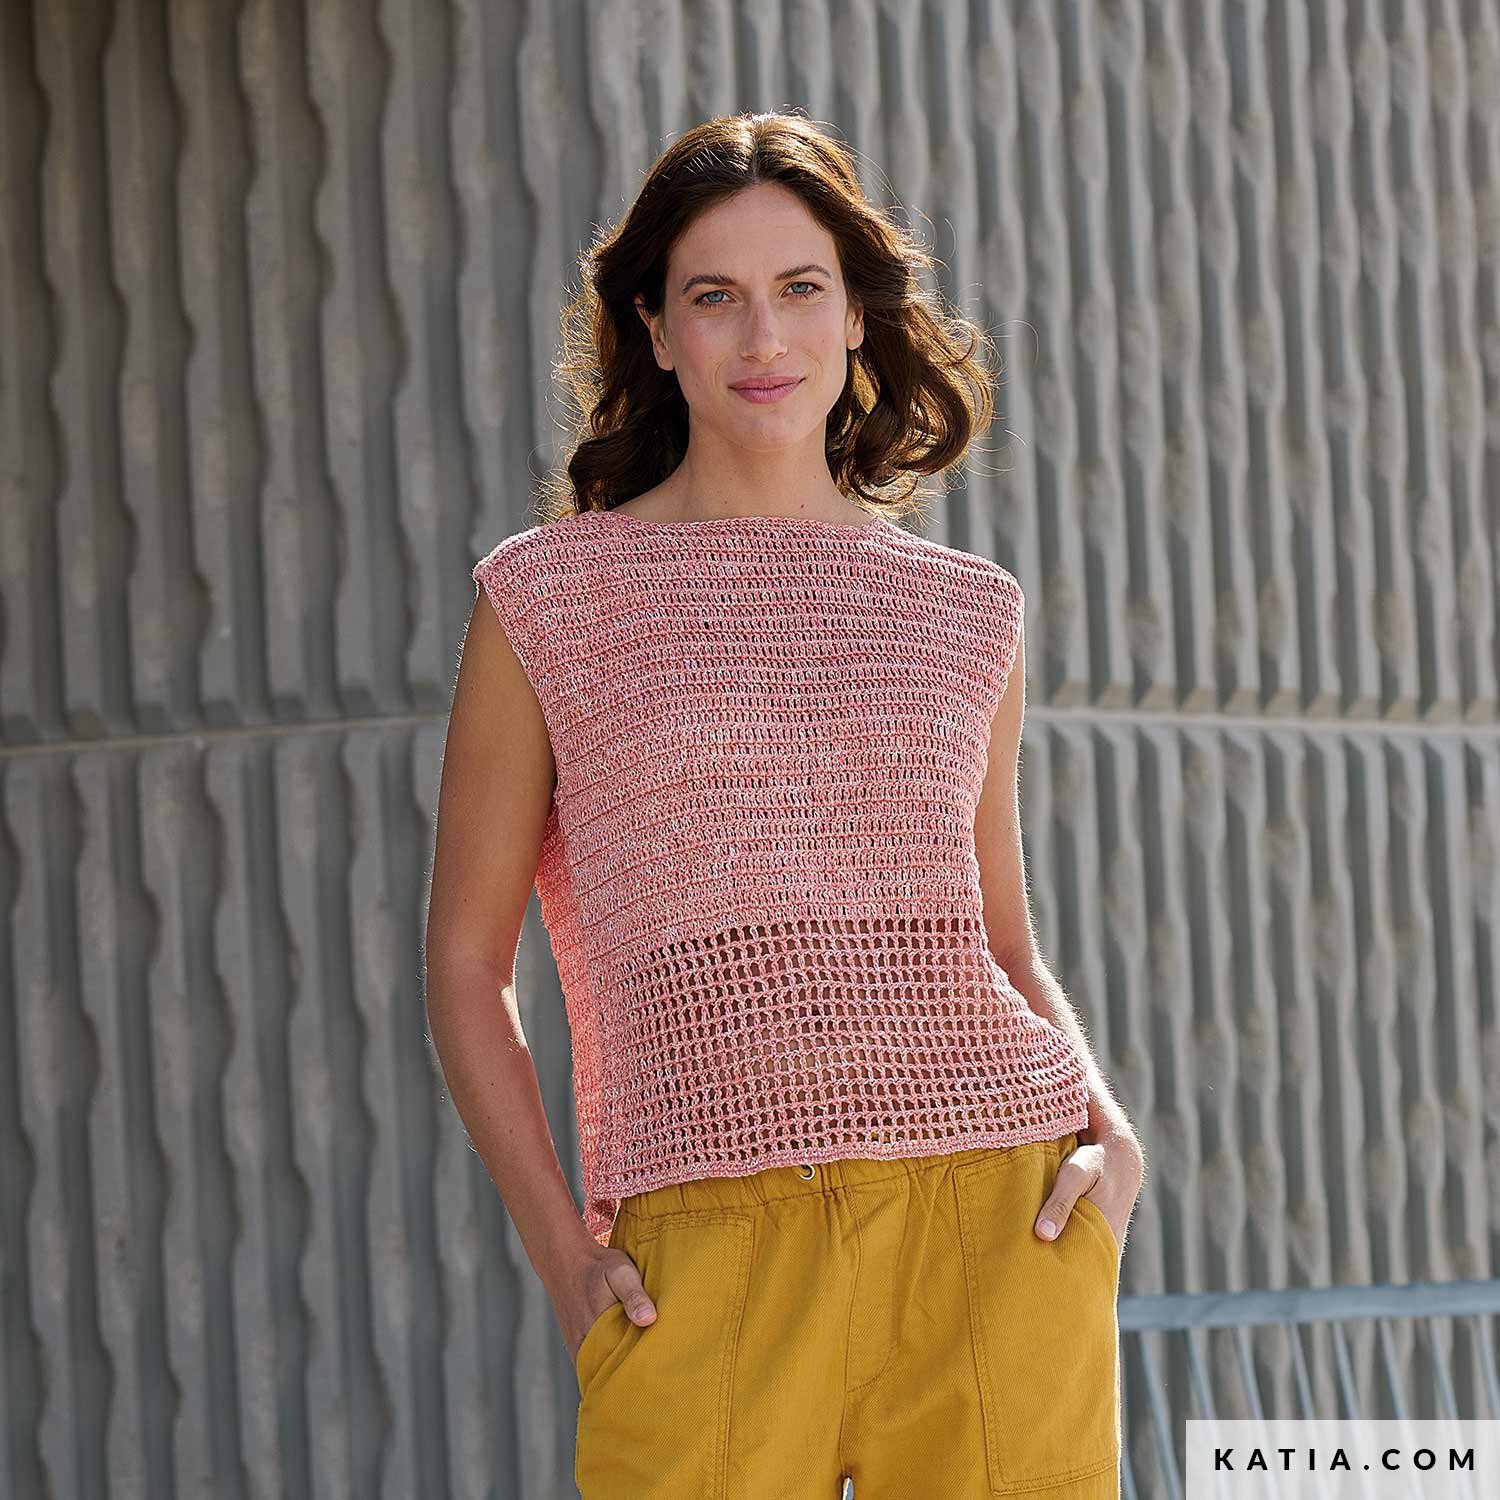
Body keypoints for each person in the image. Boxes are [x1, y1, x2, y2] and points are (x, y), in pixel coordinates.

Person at [426, 109, 1146, 1500]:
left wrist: (1112, 1142)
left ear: (856, 317)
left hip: (997, 1227)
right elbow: (466, 964)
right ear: (655, 329)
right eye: (716, 296)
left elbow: (1002, 941)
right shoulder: (549, 599)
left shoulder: (965, 612)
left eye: (801, 288)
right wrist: (565, 1260)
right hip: (703, 1249)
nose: (765, 337)